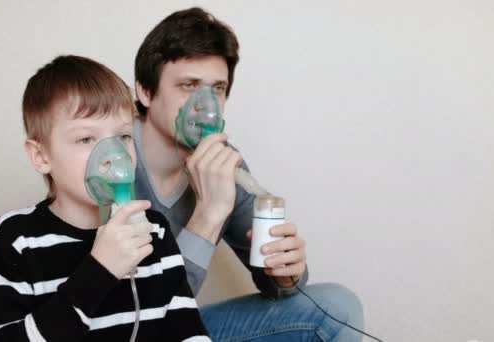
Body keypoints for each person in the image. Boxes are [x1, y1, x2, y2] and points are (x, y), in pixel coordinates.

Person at [133, 7, 364, 341]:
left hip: (181, 329)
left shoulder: (225, 163)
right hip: (125, 328)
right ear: (145, 91)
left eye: (217, 89)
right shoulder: (107, 164)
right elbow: (146, 308)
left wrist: (285, 273)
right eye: (188, 85)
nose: (204, 104)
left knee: (338, 307)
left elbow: (278, 284)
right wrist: (209, 213)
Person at [0, 55, 210, 341]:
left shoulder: (154, 231)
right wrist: (99, 271)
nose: (113, 155)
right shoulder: (14, 240)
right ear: (41, 156)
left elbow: (188, 333)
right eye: (86, 139)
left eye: (123, 137)